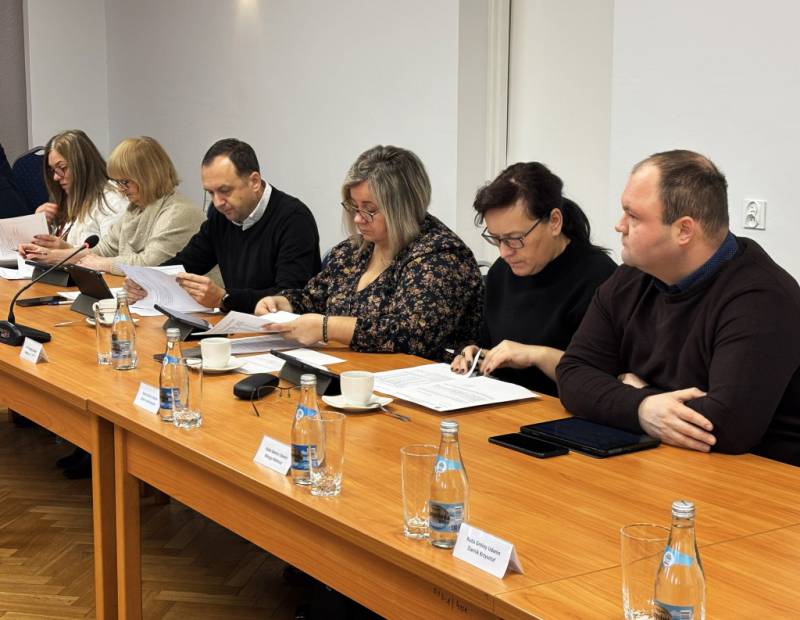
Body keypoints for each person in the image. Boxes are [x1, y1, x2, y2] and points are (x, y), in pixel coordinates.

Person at [557, 149, 800, 466]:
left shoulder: (762, 298)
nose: (619, 226)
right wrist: (642, 407)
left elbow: (727, 426)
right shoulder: (630, 277)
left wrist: (638, 394)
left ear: (684, 230)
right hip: (664, 461)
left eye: (633, 216)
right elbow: (572, 375)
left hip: (759, 478)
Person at [255, 145, 482, 361]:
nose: (357, 218)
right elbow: (315, 298)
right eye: (354, 206)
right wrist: (283, 304)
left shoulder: (441, 256)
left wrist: (327, 328)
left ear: (403, 207)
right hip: (348, 369)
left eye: (369, 210)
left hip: (415, 379)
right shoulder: (353, 250)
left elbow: (412, 334)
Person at [451, 162, 616, 396]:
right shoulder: (502, 272)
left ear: (554, 222)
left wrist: (536, 355)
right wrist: (475, 354)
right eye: (496, 239)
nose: (504, 252)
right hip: (500, 403)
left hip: (563, 410)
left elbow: (602, 377)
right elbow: (489, 343)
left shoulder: (599, 278)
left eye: (515, 239)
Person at [123, 138, 320, 312]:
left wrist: (225, 298)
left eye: (225, 191)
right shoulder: (222, 215)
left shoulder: (294, 219)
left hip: (282, 331)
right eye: (210, 193)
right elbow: (187, 262)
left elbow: (290, 297)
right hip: (239, 324)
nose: (217, 202)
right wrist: (147, 280)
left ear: (254, 181)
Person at [22, 136, 203, 273]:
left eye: (125, 182)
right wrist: (47, 256)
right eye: (118, 182)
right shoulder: (136, 208)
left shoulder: (178, 212)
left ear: (148, 177)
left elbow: (151, 263)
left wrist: (104, 264)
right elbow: (104, 249)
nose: (121, 189)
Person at [16, 130, 127, 259]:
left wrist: (66, 250)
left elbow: (114, 255)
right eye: (53, 170)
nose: (56, 177)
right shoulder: (69, 198)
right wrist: (39, 226)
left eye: (62, 168)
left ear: (83, 165)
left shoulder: (113, 199)